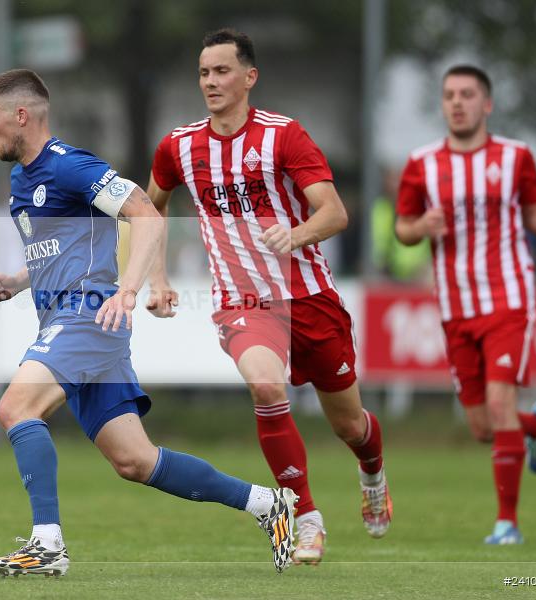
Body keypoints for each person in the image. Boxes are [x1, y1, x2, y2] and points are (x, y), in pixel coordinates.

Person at [0, 68, 298, 577]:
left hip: (89, 314)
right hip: (65, 318)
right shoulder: (22, 178)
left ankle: (47, 544)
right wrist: (18, 281)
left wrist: (127, 290)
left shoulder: (71, 167)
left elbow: (146, 213)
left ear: (22, 115)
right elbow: (62, 248)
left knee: (16, 408)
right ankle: (268, 504)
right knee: (135, 461)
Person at [145, 29, 391, 565]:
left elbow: (334, 212)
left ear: (249, 77)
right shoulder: (179, 146)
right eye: (204, 73)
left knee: (349, 424)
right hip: (243, 302)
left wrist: (297, 234)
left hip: (310, 298)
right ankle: (306, 518)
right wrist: (156, 278)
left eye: (222, 71)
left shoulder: (284, 136)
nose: (211, 81)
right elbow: (150, 207)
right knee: (264, 384)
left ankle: (372, 470)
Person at [395, 65, 536, 544]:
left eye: (467, 94)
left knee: (498, 402)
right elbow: (403, 228)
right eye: (450, 94)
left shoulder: (516, 157)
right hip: (455, 306)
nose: (457, 102)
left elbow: (534, 215)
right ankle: (534, 427)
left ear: (486, 104)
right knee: (483, 426)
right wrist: (420, 228)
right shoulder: (421, 163)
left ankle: (507, 524)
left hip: (509, 299)